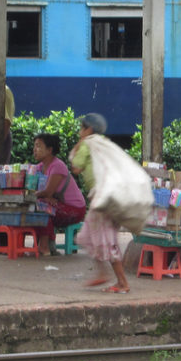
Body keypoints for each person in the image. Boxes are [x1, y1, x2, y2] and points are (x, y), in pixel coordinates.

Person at [71, 113, 128, 293]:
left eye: (82, 128)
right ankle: (102, 273)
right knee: (90, 234)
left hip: (103, 197)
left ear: (88, 129)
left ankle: (122, 282)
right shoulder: (104, 143)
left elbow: (76, 168)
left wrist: (80, 143)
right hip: (114, 195)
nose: (80, 131)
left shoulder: (88, 143)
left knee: (106, 239)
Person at [32, 133, 86, 256]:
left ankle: (45, 247)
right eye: (34, 146)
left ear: (50, 150)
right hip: (57, 205)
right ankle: (47, 244)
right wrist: (44, 196)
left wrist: (40, 195)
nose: (34, 150)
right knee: (37, 205)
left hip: (75, 210)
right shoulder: (40, 167)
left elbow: (48, 192)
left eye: (38, 146)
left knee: (42, 207)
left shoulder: (57, 166)